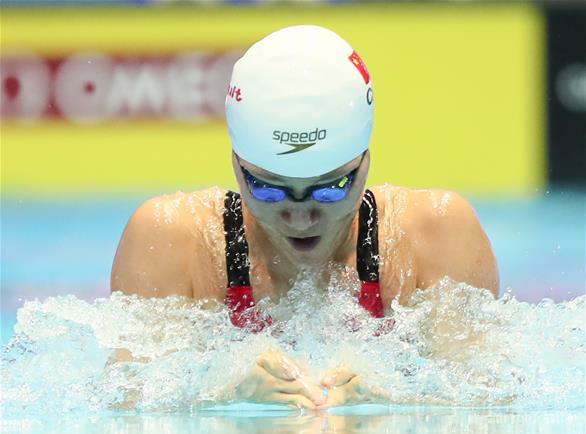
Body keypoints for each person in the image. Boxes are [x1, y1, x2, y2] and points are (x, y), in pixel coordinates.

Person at [111, 25, 499, 410]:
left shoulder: (435, 233)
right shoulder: (172, 240)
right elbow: (129, 411)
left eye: (329, 188)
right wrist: (223, 393)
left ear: (365, 164)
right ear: (236, 166)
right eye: (269, 189)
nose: (299, 219)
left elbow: (488, 407)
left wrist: (394, 400)